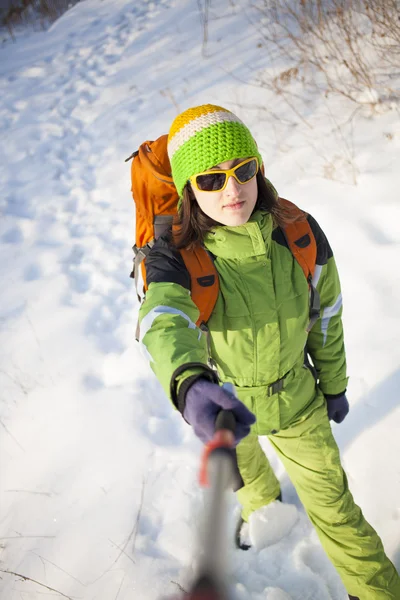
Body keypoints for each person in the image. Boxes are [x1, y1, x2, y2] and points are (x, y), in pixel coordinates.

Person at [138, 104, 400, 599]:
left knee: (339, 515)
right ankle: (263, 508)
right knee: (249, 466)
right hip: (227, 401)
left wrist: (335, 384)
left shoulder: (297, 232)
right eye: (211, 180)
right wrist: (190, 383)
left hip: (299, 403)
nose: (232, 189)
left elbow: (327, 315)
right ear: (189, 188)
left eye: (243, 170)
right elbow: (161, 319)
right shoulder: (176, 255)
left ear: (259, 168)